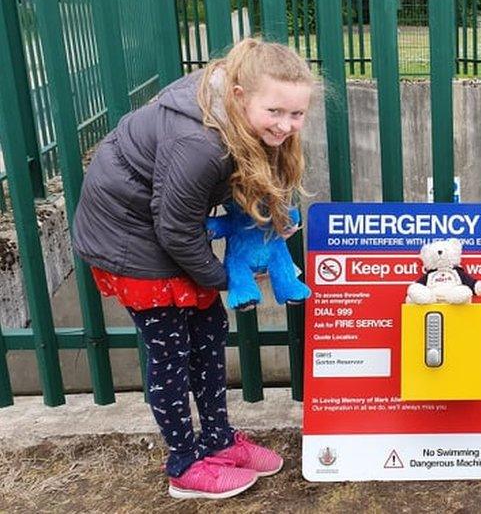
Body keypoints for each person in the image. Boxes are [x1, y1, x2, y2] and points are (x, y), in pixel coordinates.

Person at [72, 37, 316, 499]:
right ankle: (184, 464)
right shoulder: (199, 143)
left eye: (296, 114)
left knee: (207, 335)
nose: (286, 125)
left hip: (165, 227)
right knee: (171, 355)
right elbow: (177, 228)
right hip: (133, 239)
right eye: (275, 112)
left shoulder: (235, 116)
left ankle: (218, 440)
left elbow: (190, 215)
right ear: (240, 96)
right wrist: (225, 278)